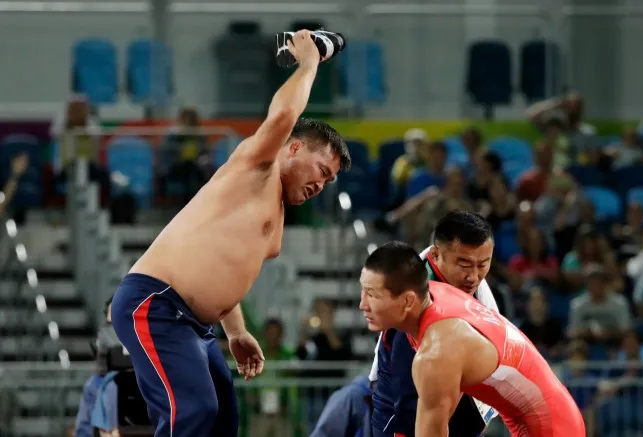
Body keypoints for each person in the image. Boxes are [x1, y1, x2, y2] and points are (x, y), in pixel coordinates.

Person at [110, 29, 352, 437]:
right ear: (292, 149)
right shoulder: (257, 167)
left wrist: (236, 330)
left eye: (329, 182)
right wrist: (310, 61)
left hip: (197, 324)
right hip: (156, 304)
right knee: (193, 411)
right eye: (321, 171)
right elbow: (281, 117)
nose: (321, 185)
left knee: (222, 417)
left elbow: (226, 269)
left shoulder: (273, 208)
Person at [360, 242, 585, 437]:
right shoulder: (432, 294)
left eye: (372, 295)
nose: (363, 304)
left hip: (552, 429)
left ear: (408, 301)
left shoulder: (436, 353)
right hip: (546, 414)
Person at [369, 211, 499, 437]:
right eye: (465, 264)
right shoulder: (412, 304)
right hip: (407, 420)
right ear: (436, 254)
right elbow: (408, 403)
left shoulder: (467, 281)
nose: (473, 276)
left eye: (483, 265)